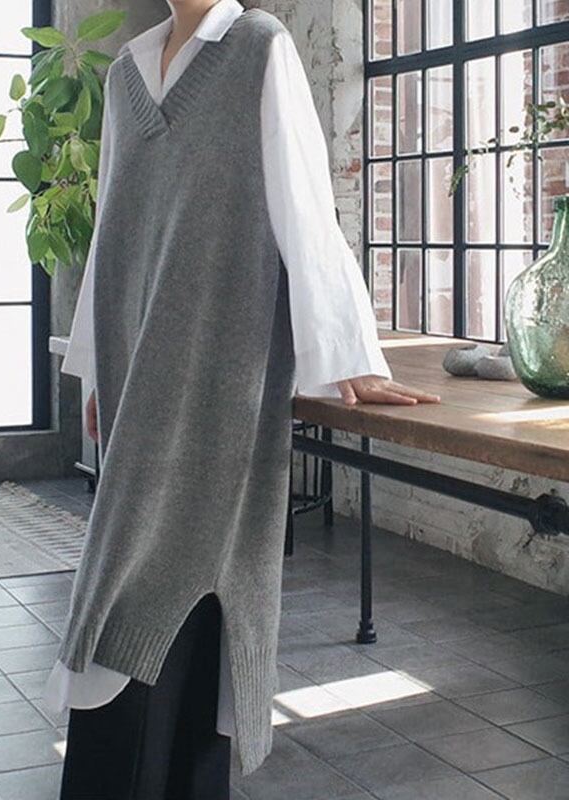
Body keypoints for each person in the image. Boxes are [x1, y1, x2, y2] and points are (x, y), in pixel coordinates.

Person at [47, 1, 441, 797]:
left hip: (221, 383)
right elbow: (114, 230)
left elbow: (305, 212)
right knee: (133, 605)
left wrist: (348, 356)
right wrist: (96, 370)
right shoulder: (125, 76)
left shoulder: (259, 47)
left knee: (189, 600)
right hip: (137, 379)